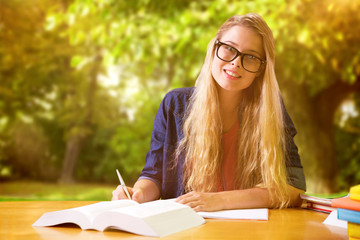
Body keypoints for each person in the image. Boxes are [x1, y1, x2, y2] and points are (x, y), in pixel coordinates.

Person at [112, 13, 306, 211]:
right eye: (229, 49)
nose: (236, 63)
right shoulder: (175, 105)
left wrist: (219, 200)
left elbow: (294, 189)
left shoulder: (270, 111)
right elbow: (154, 176)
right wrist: (138, 194)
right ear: (214, 49)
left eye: (251, 57)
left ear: (261, 70)